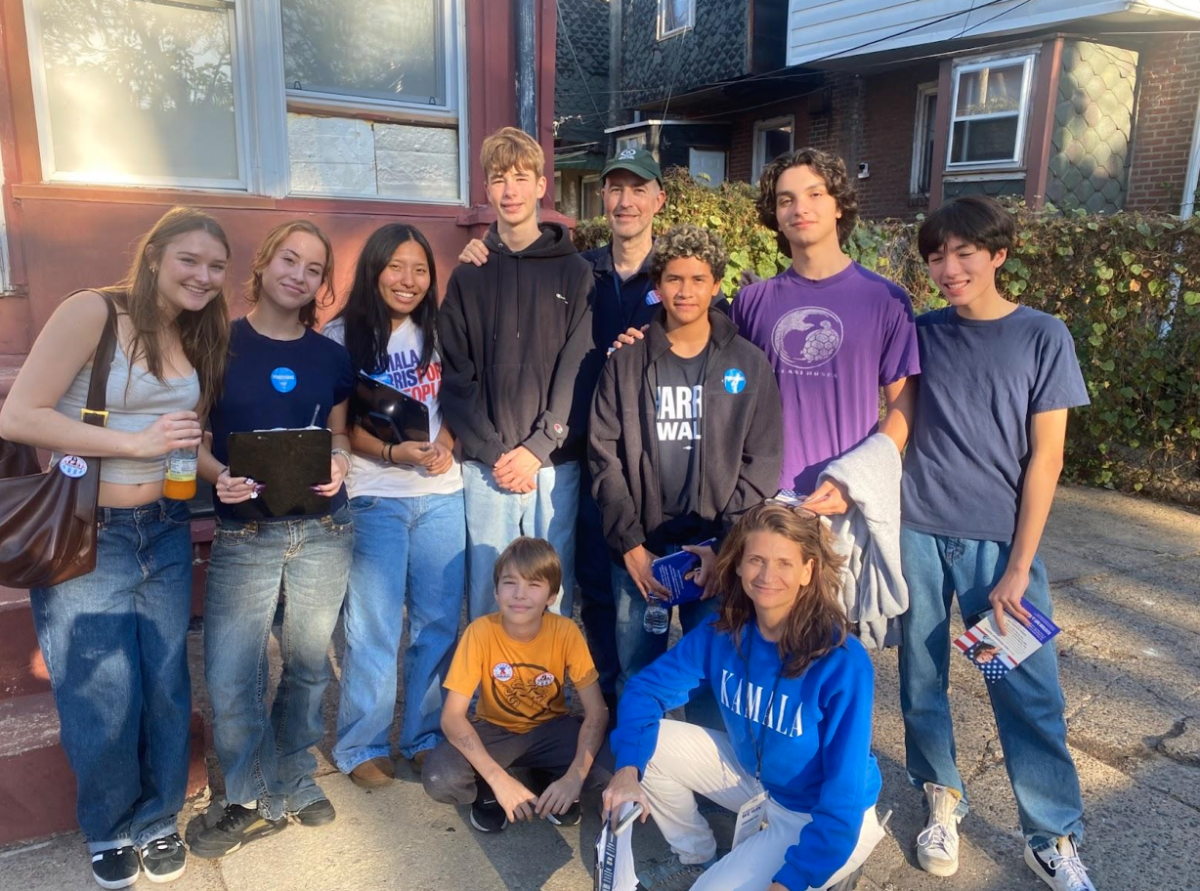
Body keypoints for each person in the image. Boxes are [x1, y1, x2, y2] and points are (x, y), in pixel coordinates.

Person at [0, 207, 231, 888]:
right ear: (154, 255)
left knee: (164, 682)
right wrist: (132, 444)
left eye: (217, 266)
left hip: (164, 526)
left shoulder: (196, 332)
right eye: (190, 259)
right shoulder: (93, 312)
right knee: (99, 692)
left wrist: (226, 476)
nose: (205, 275)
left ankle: (157, 816)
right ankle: (107, 824)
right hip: (87, 535)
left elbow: (188, 435)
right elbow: (18, 414)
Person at [899, 195, 1095, 891]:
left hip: (996, 548)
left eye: (963, 253)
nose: (948, 269)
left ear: (998, 254)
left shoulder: (1043, 335)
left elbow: (1047, 459)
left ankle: (1049, 835)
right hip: (916, 530)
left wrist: (1018, 565)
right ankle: (941, 795)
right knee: (920, 680)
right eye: (936, 256)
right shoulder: (921, 333)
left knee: (1023, 688)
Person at [460, 146, 669, 712]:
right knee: (588, 586)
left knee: (636, 591)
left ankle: (636, 718)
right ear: (601, 197)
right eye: (615, 189)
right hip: (579, 445)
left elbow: (706, 339)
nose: (625, 201)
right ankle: (578, 703)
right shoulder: (584, 268)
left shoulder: (674, 276)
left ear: (657, 198)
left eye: (637, 189)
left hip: (646, 455)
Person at [601, 504, 886, 891]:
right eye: (756, 560)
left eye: (784, 562)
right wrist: (625, 770)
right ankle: (696, 855)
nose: (768, 575)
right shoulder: (723, 633)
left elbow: (843, 797)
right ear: (736, 565)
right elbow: (644, 690)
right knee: (650, 744)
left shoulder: (842, 661)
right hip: (759, 783)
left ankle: (829, 867)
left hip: (820, 814)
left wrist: (792, 880)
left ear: (809, 570)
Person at [189, 220, 356, 859]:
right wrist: (220, 477)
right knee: (233, 674)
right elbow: (196, 442)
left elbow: (338, 433)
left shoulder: (330, 356)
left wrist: (340, 461)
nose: (299, 274)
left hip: (322, 529)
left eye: (314, 269)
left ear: (320, 284)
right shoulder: (217, 344)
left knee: (310, 668)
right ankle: (249, 795)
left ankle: (295, 777)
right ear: (263, 263)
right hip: (245, 532)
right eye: (290, 259)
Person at [588, 225, 782, 710]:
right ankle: (634, 769)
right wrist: (630, 544)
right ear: (658, 285)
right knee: (637, 669)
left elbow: (763, 462)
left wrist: (727, 547)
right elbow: (604, 456)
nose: (686, 291)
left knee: (717, 671)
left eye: (699, 279)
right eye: (674, 279)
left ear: (717, 285)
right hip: (642, 550)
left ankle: (701, 768)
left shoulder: (748, 363)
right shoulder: (626, 362)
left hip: (715, 552)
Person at [323, 224, 465, 788]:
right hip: (375, 495)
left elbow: (457, 399)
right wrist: (391, 451)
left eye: (420, 270)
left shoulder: (441, 331)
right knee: (374, 627)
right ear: (375, 269)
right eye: (396, 267)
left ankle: (425, 737)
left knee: (436, 625)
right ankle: (362, 745)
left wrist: (447, 445)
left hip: (440, 497)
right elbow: (340, 428)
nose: (408, 281)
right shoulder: (341, 337)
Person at [439, 126, 597, 622]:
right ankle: (493, 695)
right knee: (491, 592)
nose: (510, 190)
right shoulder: (469, 274)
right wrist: (494, 451)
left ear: (541, 186)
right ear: (487, 190)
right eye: (499, 179)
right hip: (487, 466)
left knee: (553, 593)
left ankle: (547, 692)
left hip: (553, 463)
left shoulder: (574, 271)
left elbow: (578, 365)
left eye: (521, 177)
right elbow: (454, 374)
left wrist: (538, 447)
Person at [733, 148, 918, 514]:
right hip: (763, 498)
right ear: (776, 216)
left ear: (838, 207)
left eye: (815, 194)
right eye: (786, 200)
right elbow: (729, 391)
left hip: (845, 498)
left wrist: (857, 478)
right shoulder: (751, 302)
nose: (800, 208)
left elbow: (903, 407)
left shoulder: (885, 299)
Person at [421, 538, 609, 833]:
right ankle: (487, 789)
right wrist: (497, 778)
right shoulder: (480, 632)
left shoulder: (566, 632)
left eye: (534, 585)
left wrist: (575, 776)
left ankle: (549, 777)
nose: (520, 595)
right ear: (496, 591)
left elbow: (597, 712)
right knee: (440, 777)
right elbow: (452, 717)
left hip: (553, 730)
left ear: (551, 595)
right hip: (495, 731)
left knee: (615, 766)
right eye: (510, 583)